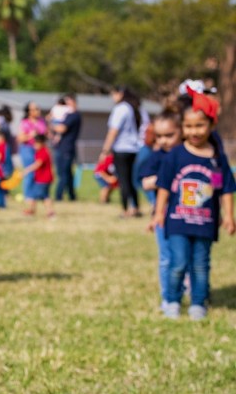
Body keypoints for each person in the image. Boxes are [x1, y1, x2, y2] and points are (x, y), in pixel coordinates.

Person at [150, 90, 234, 320]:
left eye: (199, 126)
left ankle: (198, 302)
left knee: (200, 265)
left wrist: (228, 215)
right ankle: (173, 300)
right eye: (188, 126)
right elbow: (164, 187)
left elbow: (223, 188)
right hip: (177, 221)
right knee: (177, 263)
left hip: (205, 223)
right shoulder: (175, 155)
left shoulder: (216, 158)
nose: (193, 131)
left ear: (211, 125)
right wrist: (159, 214)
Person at [140, 110, 183, 312]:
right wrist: (166, 178)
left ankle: (193, 292)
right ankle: (168, 297)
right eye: (159, 136)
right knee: (166, 257)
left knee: (188, 258)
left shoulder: (188, 155)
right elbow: (146, 182)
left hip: (187, 215)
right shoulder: (157, 157)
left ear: (181, 132)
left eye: (169, 135)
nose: (164, 141)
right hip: (163, 214)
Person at [100, 86, 149, 218]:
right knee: (132, 180)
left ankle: (125, 209)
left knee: (123, 180)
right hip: (136, 148)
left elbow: (113, 131)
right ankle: (136, 208)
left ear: (120, 94)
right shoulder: (138, 108)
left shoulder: (121, 108)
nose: (112, 98)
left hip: (122, 149)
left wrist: (105, 150)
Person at [52, 94, 81, 202]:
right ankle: (72, 196)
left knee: (63, 173)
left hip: (66, 148)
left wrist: (51, 122)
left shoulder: (74, 115)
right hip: (62, 147)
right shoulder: (67, 115)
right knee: (67, 173)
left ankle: (58, 196)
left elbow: (61, 129)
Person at [20, 133, 55, 218]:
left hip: (42, 179)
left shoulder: (42, 152)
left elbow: (38, 164)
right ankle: (50, 213)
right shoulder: (43, 151)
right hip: (45, 178)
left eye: (36, 143)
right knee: (45, 196)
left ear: (41, 143)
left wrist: (26, 170)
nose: (34, 145)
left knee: (32, 195)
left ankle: (31, 211)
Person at [17, 101, 46, 202]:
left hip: (39, 149)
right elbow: (20, 138)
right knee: (30, 172)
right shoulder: (25, 122)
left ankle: (36, 195)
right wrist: (30, 135)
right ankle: (28, 196)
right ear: (29, 111)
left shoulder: (42, 121)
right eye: (35, 109)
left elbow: (45, 135)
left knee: (39, 172)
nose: (38, 111)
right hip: (27, 149)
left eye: (38, 108)